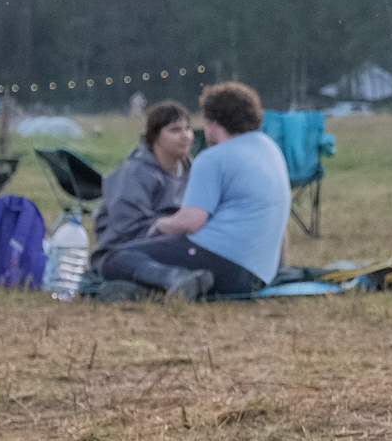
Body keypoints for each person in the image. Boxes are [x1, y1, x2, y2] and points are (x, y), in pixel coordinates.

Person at [97, 81, 289, 301]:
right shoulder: (269, 147)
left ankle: (173, 278)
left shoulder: (213, 158)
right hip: (259, 274)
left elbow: (191, 222)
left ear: (214, 122)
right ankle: (150, 291)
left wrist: (161, 225)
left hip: (224, 263)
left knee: (115, 259)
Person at [93, 100, 193, 267]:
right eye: (175, 130)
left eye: (188, 128)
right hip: (126, 250)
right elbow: (126, 227)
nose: (185, 136)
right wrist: (172, 226)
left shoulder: (191, 168)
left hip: (174, 243)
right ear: (155, 136)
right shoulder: (135, 172)